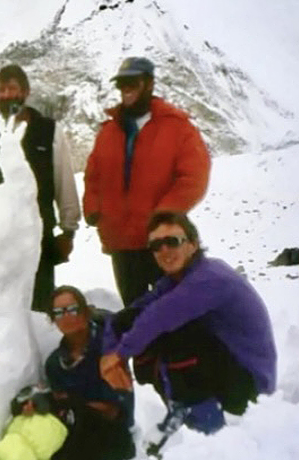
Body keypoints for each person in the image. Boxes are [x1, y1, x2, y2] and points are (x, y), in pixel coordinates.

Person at [100, 212, 276, 435]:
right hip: (224, 368)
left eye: (172, 241)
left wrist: (120, 354)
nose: (164, 251)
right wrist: (109, 352)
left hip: (250, 386)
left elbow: (158, 317)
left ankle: (208, 425)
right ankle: (181, 407)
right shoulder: (176, 280)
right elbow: (130, 315)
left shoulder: (209, 278)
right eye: (156, 245)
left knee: (176, 332)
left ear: (192, 245)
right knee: (141, 324)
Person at [83, 57, 210, 306]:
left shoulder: (178, 127)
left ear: (149, 84)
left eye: (133, 82)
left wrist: (164, 216)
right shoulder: (109, 131)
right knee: (134, 309)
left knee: (172, 309)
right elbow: (93, 175)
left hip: (163, 242)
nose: (126, 89)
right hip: (120, 241)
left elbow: (194, 176)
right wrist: (93, 209)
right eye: (121, 84)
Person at [0, 64, 81, 312]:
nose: (6, 95)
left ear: (25, 92)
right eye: (1, 89)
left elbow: (64, 180)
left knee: (39, 311)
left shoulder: (48, 130)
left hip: (39, 238)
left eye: (12, 88)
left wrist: (68, 231)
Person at [44, 286, 136, 460]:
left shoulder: (109, 346)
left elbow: (114, 410)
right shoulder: (55, 363)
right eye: (58, 313)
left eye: (72, 309)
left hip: (111, 436)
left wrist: (74, 405)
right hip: (75, 435)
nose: (66, 317)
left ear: (85, 310)